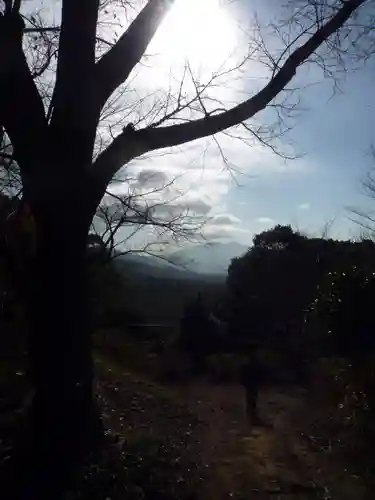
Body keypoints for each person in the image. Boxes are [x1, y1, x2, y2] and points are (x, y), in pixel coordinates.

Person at [239, 346, 265, 427]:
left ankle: (251, 418)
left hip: (251, 385)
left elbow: (242, 375)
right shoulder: (253, 365)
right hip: (251, 385)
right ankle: (252, 418)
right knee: (252, 402)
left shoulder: (249, 365)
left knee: (251, 402)